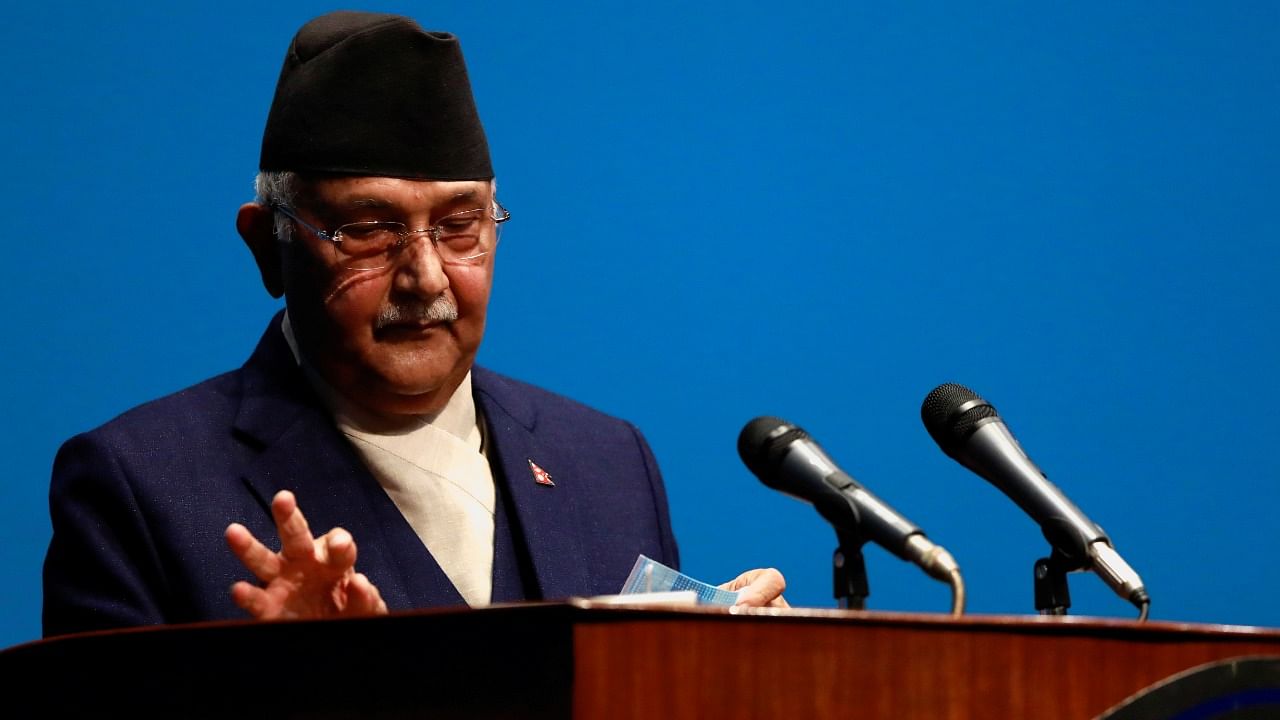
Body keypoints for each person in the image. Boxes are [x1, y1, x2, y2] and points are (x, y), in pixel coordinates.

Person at [42, 10, 785, 637]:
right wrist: (272, 692)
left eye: (461, 227)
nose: (425, 277)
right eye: (369, 229)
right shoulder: (140, 487)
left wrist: (724, 680)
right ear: (267, 246)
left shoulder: (606, 461)